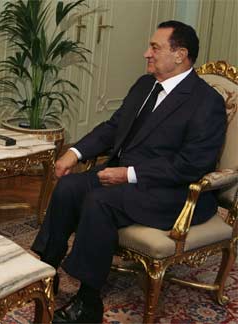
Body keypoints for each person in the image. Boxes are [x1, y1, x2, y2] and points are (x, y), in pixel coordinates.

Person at [32, 20, 226, 323]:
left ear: (180, 54)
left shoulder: (206, 102)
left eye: (155, 47)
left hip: (171, 191)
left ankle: (88, 302)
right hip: (126, 177)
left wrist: (129, 174)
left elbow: (192, 164)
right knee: (69, 188)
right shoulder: (145, 85)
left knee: (99, 201)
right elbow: (113, 128)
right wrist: (75, 152)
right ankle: (46, 272)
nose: (146, 53)